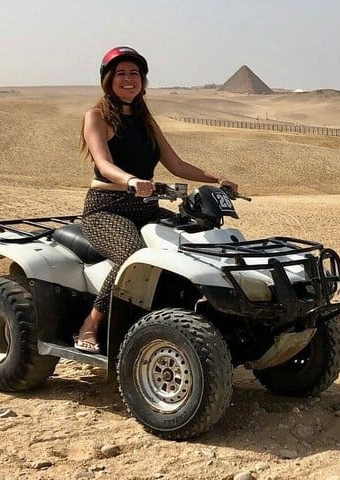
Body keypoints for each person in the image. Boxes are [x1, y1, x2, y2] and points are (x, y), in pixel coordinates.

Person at [75, 46, 238, 354]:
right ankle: (91, 323)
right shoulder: (96, 116)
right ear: (108, 79)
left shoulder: (146, 121)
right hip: (106, 209)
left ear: (143, 80)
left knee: (194, 240)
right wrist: (131, 180)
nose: (128, 79)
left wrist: (216, 179)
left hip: (147, 209)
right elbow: (104, 163)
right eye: (121, 73)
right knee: (133, 255)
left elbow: (176, 164)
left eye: (134, 74)